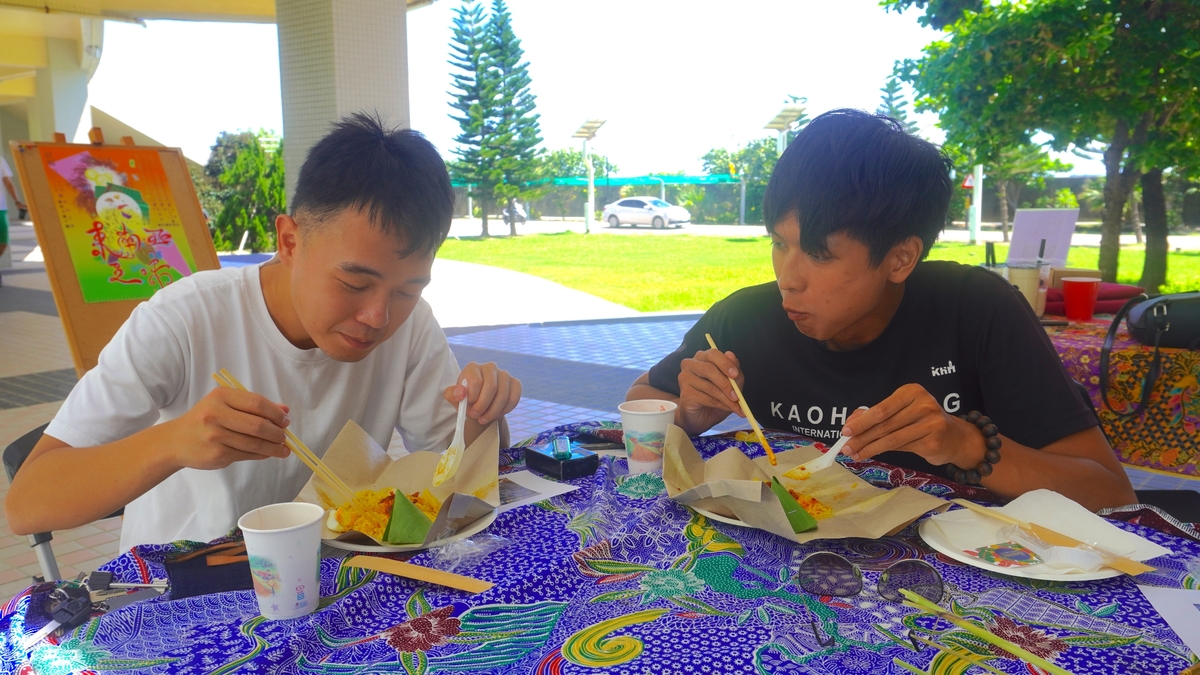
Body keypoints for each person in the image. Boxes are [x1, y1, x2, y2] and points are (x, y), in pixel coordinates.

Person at [6, 114, 523, 549]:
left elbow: (453, 476)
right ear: (290, 240)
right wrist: (173, 442)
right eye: (353, 282)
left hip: (332, 583)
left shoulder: (412, 327)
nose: (379, 317)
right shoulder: (186, 318)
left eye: (408, 290)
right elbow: (28, 503)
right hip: (185, 591)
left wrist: (483, 413)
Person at [627, 109, 1135, 511]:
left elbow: (1111, 494)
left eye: (821, 254)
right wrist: (688, 417)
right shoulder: (747, 319)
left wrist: (966, 446)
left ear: (900, 258)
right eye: (779, 243)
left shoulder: (976, 311)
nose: (789, 278)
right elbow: (642, 399)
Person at [0, 154, 26, 262]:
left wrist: (17, 201)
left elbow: (7, 182)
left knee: (3, 241)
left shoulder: (0, 160)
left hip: (1, 208)